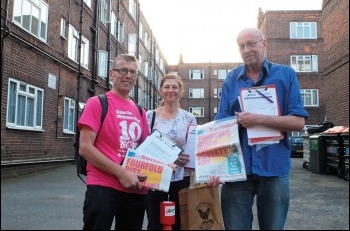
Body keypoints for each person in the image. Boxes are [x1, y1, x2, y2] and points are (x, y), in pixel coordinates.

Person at [209, 28, 309, 230]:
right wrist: (214, 167)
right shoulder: (231, 79)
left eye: (251, 43)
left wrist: (258, 119)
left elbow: (298, 122)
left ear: (264, 42)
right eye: (241, 46)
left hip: (274, 167)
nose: (246, 50)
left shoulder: (286, 75)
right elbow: (221, 126)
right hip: (238, 170)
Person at [78, 54, 150, 230]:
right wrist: (121, 173)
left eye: (133, 72)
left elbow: (147, 150)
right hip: (103, 185)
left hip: (134, 188)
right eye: (123, 70)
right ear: (111, 74)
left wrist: (166, 165)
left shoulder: (141, 112)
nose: (128, 75)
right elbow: (85, 148)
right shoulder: (96, 103)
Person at [145, 74, 197, 230]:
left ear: (181, 91)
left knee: (179, 222)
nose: (170, 90)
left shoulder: (189, 118)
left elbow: (193, 148)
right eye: (166, 87)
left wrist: (188, 160)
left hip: (181, 178)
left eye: (175, 87)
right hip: (155, 176)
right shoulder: (150, 116)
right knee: (155, 222)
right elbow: (144, 148)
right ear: (160, 90)